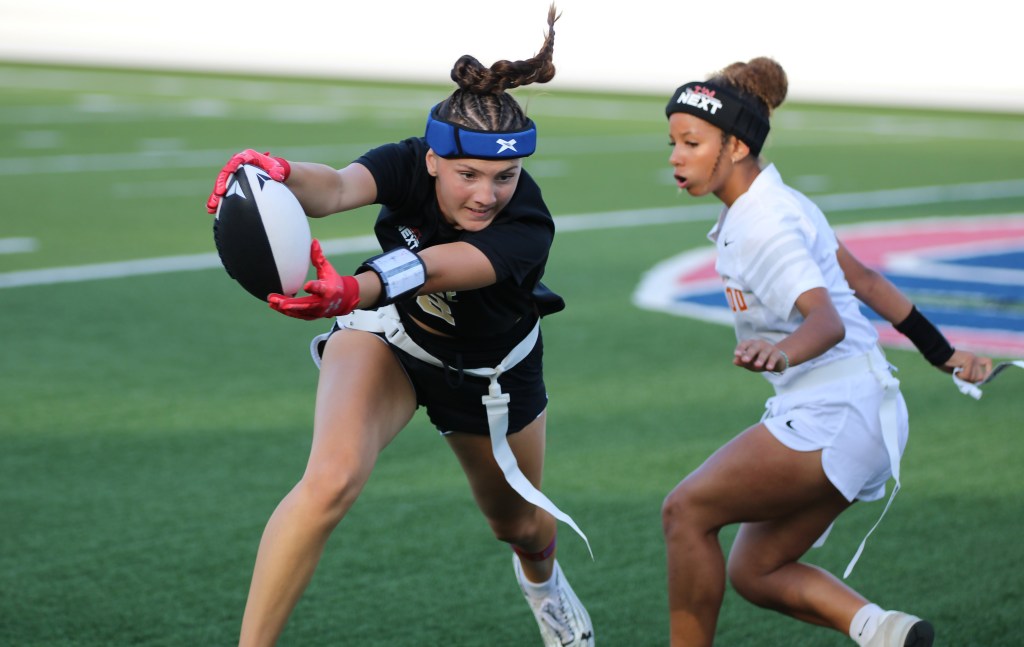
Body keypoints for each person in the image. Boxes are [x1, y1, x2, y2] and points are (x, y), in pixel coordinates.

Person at [204, 6, 594, 646]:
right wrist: (270, 169)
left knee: (519, 528)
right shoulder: (407, 161)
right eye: (469, 174)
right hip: (390, 334)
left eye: (505, 176)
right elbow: (331, 189)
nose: (487, 195)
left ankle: (544, 585)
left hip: (489, 375)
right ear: (436, 159)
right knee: (329, 480)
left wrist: (350, 287)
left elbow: (438, 266)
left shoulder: (527, 226)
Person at [658, 57, 993, 647]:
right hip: (862, 408)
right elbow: (864, 280)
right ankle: (883, 630)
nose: (675, 157)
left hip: (831, 413)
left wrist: (781, 353)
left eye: (691, 142)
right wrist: (943, 353)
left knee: (684, 511)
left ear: (735, 146)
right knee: (755, 571)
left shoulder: (763, 223)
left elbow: (829, 319)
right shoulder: (780, 200)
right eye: (672, 142)